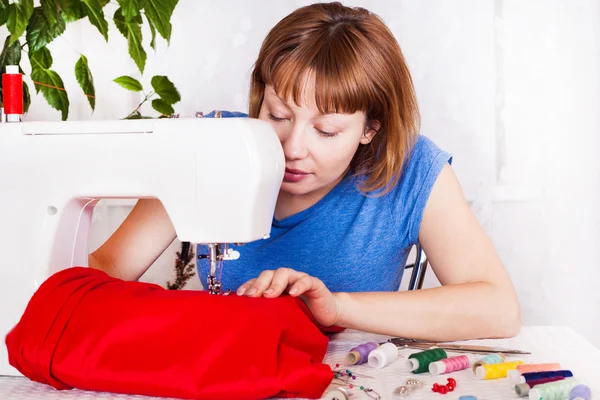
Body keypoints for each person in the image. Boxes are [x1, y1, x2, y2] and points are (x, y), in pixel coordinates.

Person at [90, 2, 520, 341]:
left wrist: (338, 307)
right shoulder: (214, 147)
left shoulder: (411, 171)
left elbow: (497, 308)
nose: (292, 149)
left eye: (326, 130)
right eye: (277, 115)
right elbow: (105, 269)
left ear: (371, 127)